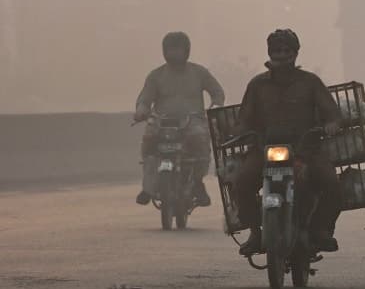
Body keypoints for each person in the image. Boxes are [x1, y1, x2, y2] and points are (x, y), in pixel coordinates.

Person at [233, 29, 343, 257]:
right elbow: (244, 119)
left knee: (332, 184)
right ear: (269, 53)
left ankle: (320, 229)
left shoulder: (311, 82)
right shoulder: (257, 85)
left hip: (307, 149)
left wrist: (332, 124)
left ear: (295, 53)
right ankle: (255, 232)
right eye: (277, 51)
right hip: (265, 150)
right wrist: (242, 132)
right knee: (241, 183)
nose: (282, 55)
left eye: (287, 51)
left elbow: (332, 113)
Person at [134, 32, 224, 206]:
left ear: (187, 51)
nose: (174, 54)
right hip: (162, 121)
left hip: (192, 121)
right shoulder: (156, 76)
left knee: (200, 140)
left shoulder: (199, 72)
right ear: (164, 51)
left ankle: (197, 182)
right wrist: (141, 111)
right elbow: (144, 99)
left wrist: (217, 105)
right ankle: (148, 188)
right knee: (149, 142)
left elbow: (217, 92)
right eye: (170, 50)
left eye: (178, 50)